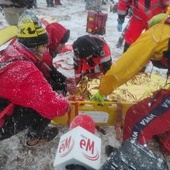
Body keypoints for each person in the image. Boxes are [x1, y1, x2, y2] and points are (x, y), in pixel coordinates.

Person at [91, 12, 170, 158]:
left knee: (136, 118)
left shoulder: (158, 33)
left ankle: (128, 158)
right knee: (161, 105)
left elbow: (124, 67)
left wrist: (103, 90)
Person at [0, 10, 70, 146]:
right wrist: (66, 102)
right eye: (43, 46)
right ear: (35, 46)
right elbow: (54, 106)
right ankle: (34, 137)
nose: (45, 50)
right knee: (43, 105)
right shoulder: (24, 70)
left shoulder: (11, 51)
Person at [40, 17, 77, 95]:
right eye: (61, 43)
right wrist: (64, 86)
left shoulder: (46, 49)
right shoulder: (43, 55)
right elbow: (43, 82)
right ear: (54, 40)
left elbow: (49, 70)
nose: (63, 46)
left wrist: (64, 79)